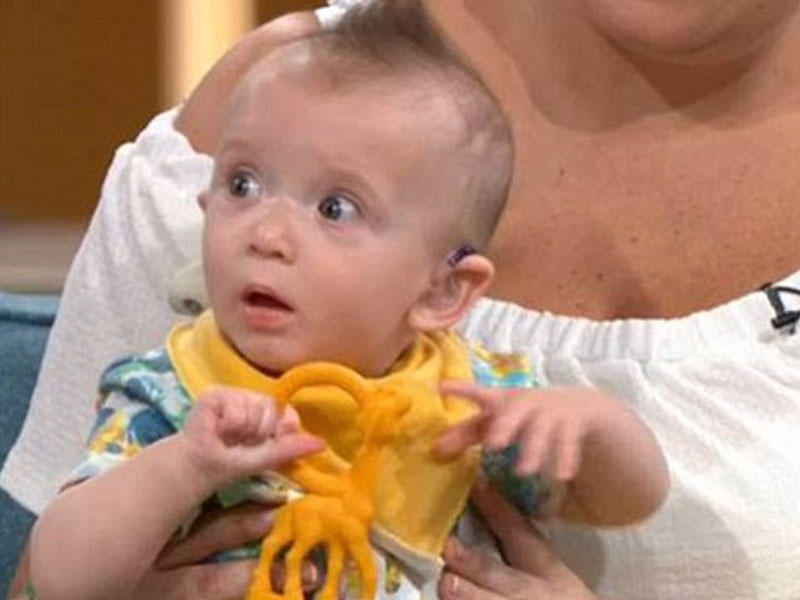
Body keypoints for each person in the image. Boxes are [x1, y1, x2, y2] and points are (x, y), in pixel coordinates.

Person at [5, 0, 800, 599]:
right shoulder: (177, 389)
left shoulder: (459, 403)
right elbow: (53, 575)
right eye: (242, 186)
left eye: (335, 209)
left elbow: (623, 495)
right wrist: (183, 468)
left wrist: (593, 425)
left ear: (446, 292)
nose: (269, 234)